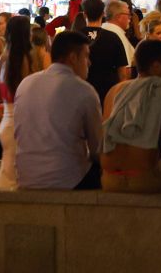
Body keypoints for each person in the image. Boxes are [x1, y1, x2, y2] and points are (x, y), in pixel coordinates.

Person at [10, 31, 102, 190]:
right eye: (86, 56)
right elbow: (97, 148)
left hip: (26, 176)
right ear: (73, 58)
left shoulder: (26, 84)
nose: (89, 63)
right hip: (68, 179)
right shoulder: (84, 90)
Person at [99, 38, 161, 193]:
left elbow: (105, 140)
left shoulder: (114, 92)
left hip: (109, 179)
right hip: (145, 179)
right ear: (156, 67)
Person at [80, 0, 129, 107]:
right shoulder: (113, 37)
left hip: (82, 90)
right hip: (109, 92)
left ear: (84, 14)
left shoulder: (75, 37)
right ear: (103, 14)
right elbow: (122, 73)